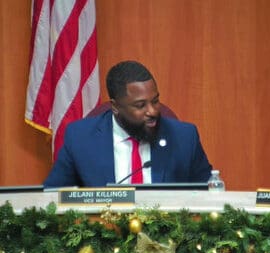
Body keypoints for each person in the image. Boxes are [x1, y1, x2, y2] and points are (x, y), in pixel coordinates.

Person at [44, 60, 212, 187]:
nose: (152, 111)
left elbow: (209, 194)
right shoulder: (80, 138)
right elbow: (54, 196)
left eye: (155, 101)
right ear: (115, 107)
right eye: (140, 105)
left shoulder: (184, 137)